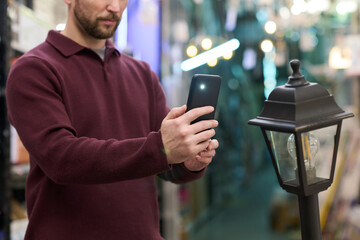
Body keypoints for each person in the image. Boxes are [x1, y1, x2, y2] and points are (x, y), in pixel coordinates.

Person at [6, 0, 219, 239]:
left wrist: (189, 160)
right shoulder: (34, 70)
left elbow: (163, 164)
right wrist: (163, 148)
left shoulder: (142, 74)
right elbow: (61, 159)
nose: (115, 7)